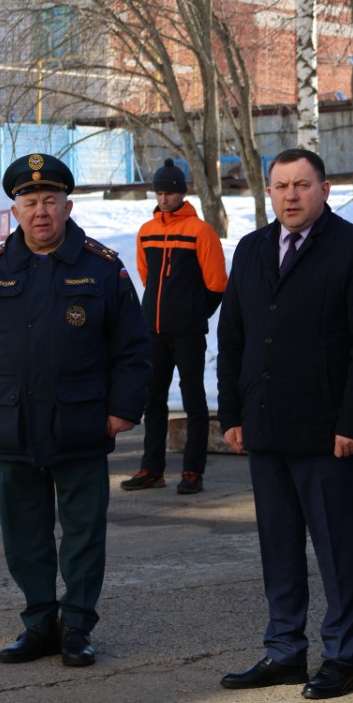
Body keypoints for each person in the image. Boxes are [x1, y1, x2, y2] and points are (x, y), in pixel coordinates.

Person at [0, 153, 150, 667]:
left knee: (83, 533)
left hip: (81, 423)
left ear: (68, 206)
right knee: (24, 534)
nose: (41, 211)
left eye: (50, 201)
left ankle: (77, 626)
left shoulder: (102, 269)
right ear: (15, 210)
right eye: (30, 202)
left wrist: (123, 409)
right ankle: (39, 623)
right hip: (11, 425)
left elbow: (133, 346)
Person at [215, 148, 353, 700]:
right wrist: (231, 413)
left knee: (336, 551)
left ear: (324, 189)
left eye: (302, 185)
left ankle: (340, 657)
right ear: (268, 192)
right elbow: (232, 336)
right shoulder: (251, 249)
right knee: (279, 547)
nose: (290, 195)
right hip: (265, 426)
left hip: (326, 432)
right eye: (281, 186)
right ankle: (285, 650)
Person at [122, 159, 227, 494]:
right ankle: (152, 469)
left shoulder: (201, 231)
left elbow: (217, 284)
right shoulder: (146, 231)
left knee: (193, 399)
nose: (163, 198)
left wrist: (193, 314)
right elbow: (146, 277)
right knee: (152, 400)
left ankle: (193, 471)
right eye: (159, 192)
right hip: (152, 331)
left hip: (188, 333)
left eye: (169, 192)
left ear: (182, 193)